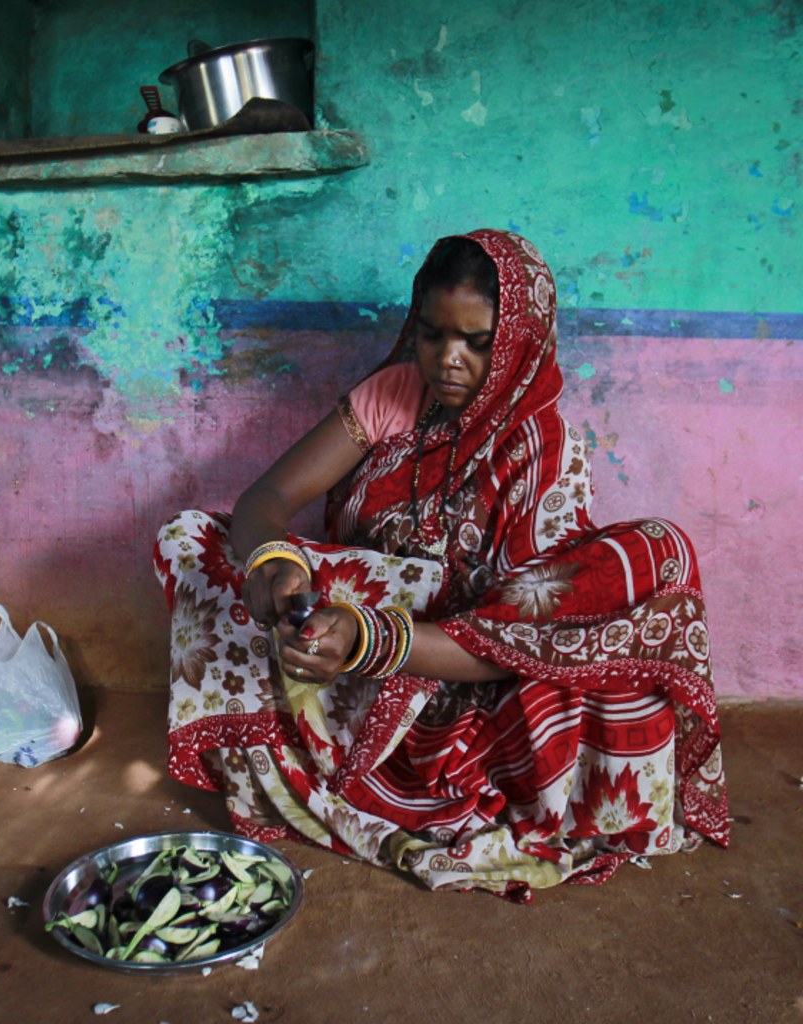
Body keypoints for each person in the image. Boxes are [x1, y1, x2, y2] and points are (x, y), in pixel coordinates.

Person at [153, 229, 729, 901]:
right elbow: (268, 498)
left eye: (476, 343)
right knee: (192, 538)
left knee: (651, 557)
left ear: (518, 340)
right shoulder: (396, 393)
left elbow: (518, 638)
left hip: (455, 670)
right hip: (336, 654)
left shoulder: (542, 446)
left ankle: (398, 766)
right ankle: (307, 743)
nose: (446, 361)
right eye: (431, 335)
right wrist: (274, 565)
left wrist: (369, 639)